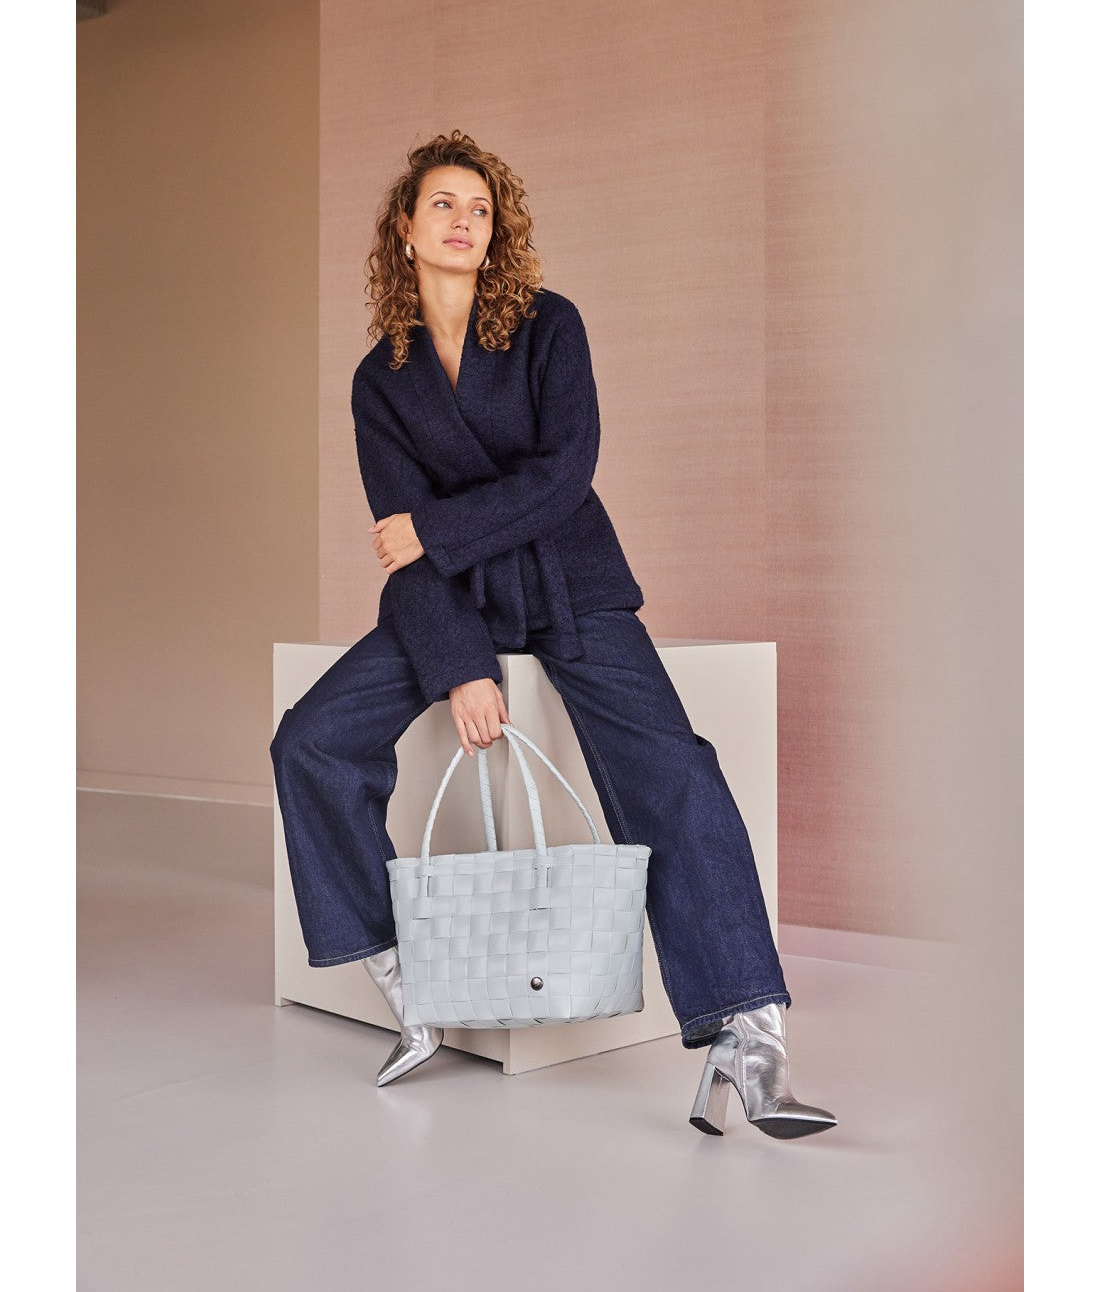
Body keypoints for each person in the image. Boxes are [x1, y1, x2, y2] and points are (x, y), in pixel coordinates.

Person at [269, 130, 837, 1140]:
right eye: (442, 205)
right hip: (450, 602)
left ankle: (749, 1038)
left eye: (479, 209)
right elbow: (402, 553)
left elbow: (563, 478)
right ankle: (410, 985)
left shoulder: (546, 326)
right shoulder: (379, 379)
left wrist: (435, 526)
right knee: (308, 741)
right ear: (405, 229)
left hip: (572, 587)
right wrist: (460, 666)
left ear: (497, 231)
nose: (463, 222)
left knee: (676, 769)